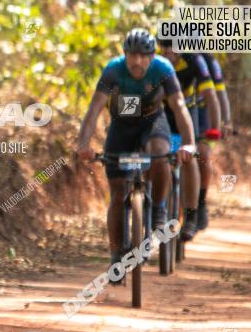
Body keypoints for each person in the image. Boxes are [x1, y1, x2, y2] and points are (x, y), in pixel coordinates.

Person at [76, 29, 196, 271]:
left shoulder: (163, 69)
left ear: (152, 56)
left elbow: (179, 106)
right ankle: (116, 253)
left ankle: (160, 209)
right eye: (132, 56)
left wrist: (189, 142)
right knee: (118, 193)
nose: (137, 61)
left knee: (160, 153)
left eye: (143, 56)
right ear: (125, 55)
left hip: (153, 121)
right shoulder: (112, 70)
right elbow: (95, 107)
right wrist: (83, 144)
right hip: (122, 123)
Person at [157, 40, 221, 241]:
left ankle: (191, 216)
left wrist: (215, 128)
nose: (168, 52)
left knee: (190, 156)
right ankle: (149, 205)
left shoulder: (195, 61)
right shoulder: (153, 61)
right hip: (160, 112)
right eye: (164, 47)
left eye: (172, 47)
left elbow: (211, 94)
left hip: (186, 112)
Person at [195, 53, 229, 231]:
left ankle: (200, 203)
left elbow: (219, 95)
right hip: (174, 109)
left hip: (202, 111)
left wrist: (225, 122)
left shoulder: (208, 62)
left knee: (202, 153)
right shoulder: (162, 61)